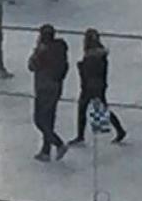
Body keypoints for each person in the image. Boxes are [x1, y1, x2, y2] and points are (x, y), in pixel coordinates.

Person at [71, 28, 127, 146]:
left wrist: (81, 66)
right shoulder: (100, 54)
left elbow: (88, 72)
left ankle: (80, 136)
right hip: (98, 85)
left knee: (85, 109)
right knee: (100, 108)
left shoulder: (91, 55)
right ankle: (119, 130)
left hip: (90, 86)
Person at [30, 24, 70, 160]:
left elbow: (31, 65)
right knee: (49, 119)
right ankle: (46, 151)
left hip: (43, 88)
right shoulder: (60, 49)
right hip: (56, 87)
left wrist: (36, 51)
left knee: (39, 120)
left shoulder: (43, 51)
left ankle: (58, 144)